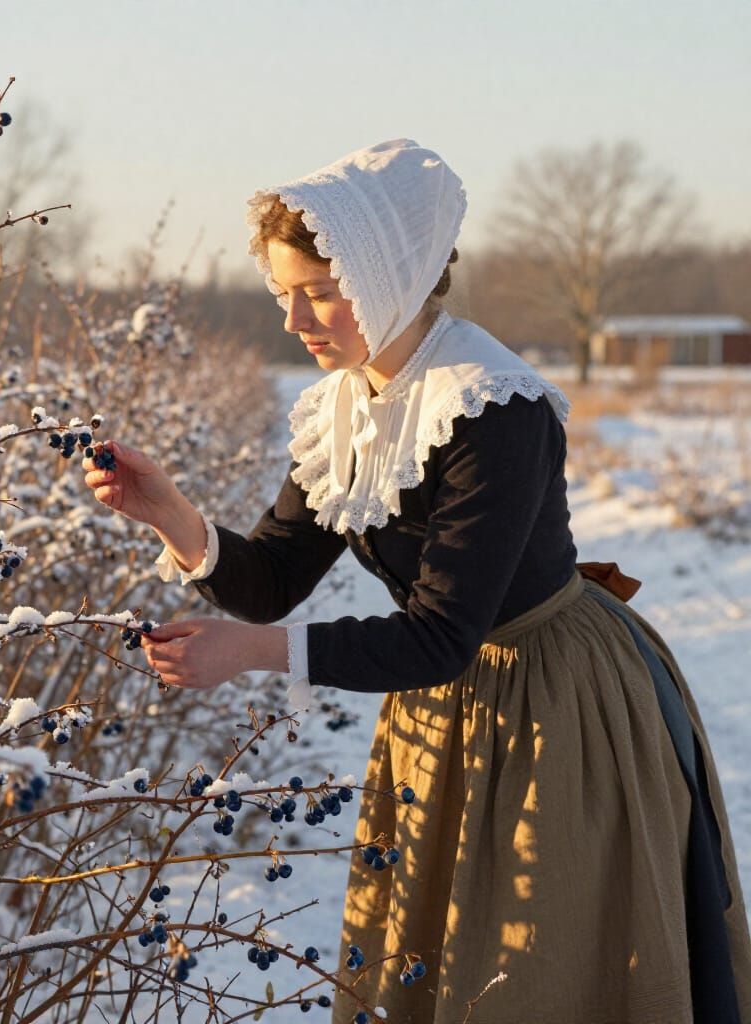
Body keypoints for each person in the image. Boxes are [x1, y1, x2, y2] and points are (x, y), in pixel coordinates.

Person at [81, 139, 751, 1024]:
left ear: (390, 275)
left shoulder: (490, 405)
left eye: (319, 294)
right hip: (442, 702)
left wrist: (254, 654)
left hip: (553, 704)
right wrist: (169, 512)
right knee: (436, 958)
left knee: (544, 962)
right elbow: (275, 580)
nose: (296, 321)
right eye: (286, 296)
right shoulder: (347, 408)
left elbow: (438, 632)